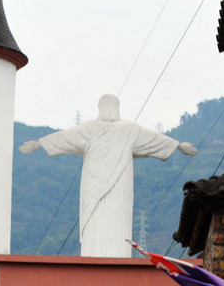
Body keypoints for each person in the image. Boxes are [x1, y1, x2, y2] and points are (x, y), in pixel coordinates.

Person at [20, 94, 197, 257]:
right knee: (94, 220)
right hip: (93, 184)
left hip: (120, 186)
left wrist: (177, 145)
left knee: (118, 223)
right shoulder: (95, 128)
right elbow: (66, 138)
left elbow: (153, 139)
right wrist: (40, 143)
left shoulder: (126, 129)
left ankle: (118, 257)